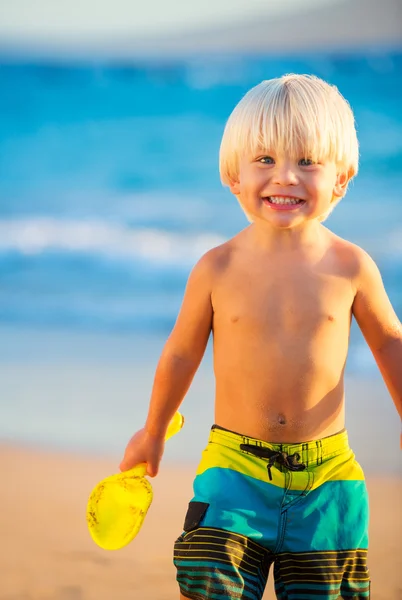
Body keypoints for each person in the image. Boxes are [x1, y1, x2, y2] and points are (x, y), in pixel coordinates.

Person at [120, 74, 402, 600]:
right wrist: (153, 430)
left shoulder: (351, 267)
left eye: (308, 162)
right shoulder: (217, 268)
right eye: (266, 160)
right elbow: (182, 351)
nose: (286, 178)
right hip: (233, 471)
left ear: (342, 177)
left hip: (328, 478)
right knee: (207, 583)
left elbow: (390, 342)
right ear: (234, 175)